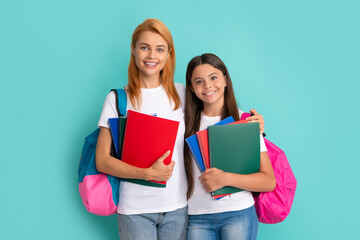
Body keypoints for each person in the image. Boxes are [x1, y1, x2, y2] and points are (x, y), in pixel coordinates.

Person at [96, 18, 265, 240]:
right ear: (133, 49)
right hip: (135, 210)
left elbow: (220, 113)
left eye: (159, 49)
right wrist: (146, 174)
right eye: (144, 47)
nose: (151, 56)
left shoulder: (183, 94)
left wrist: (256, 123)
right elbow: (102, 161)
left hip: (178, 210)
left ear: (168, 54)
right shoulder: (118, 99)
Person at [184, 53, 276, 240]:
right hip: (196, 217)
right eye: (199, 81)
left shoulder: (244, 121)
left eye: (214, 77)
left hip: (238, 214)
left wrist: (225, 178)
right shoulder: (184, 123)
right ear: (192, 88)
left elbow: (268, 181)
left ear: (225, 80)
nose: (208, 85)